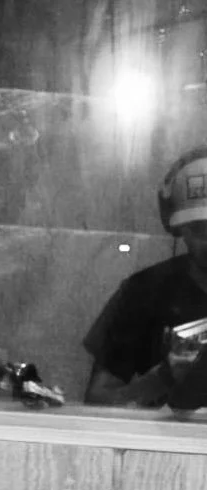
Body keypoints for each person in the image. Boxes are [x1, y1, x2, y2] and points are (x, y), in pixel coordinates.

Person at [83, 146, 207, 409]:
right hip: (162, 436)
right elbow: (97, 403)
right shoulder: (144, 292)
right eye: (199, 229)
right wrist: (163, 378)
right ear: (177, 228)